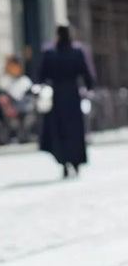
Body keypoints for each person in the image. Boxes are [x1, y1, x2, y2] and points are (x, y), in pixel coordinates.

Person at [38, 24, 94, 178]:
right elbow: (86, 73)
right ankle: (75, 161)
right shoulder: (77, 52)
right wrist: (89, 88)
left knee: (60, 130)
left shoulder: (50, 53)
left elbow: (42, 75)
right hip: (72, 96)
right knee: (74, 130)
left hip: (57, 96)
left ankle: (64, 162)